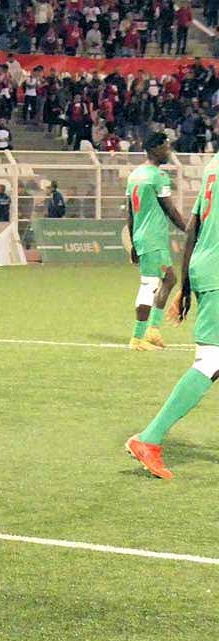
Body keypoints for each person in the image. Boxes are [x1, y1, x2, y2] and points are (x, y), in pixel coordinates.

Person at [126, 147, 219, 479]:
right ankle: (149, 438)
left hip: (205, 268)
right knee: (211, 361)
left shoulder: (212, 166)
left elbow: (194, 227)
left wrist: (188, 283)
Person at [125, 133, 189, 351]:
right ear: (154, 149)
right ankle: (137, 338)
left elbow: (131, 214)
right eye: (165, 147)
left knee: (169, 279)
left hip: (145, 237)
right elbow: (170, 210)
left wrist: (134, 242)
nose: (169, 151)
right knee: (149, 285)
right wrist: (190, 231)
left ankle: (152, 330)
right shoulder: (157, 176)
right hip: (152, 238)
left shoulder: (135, 175)